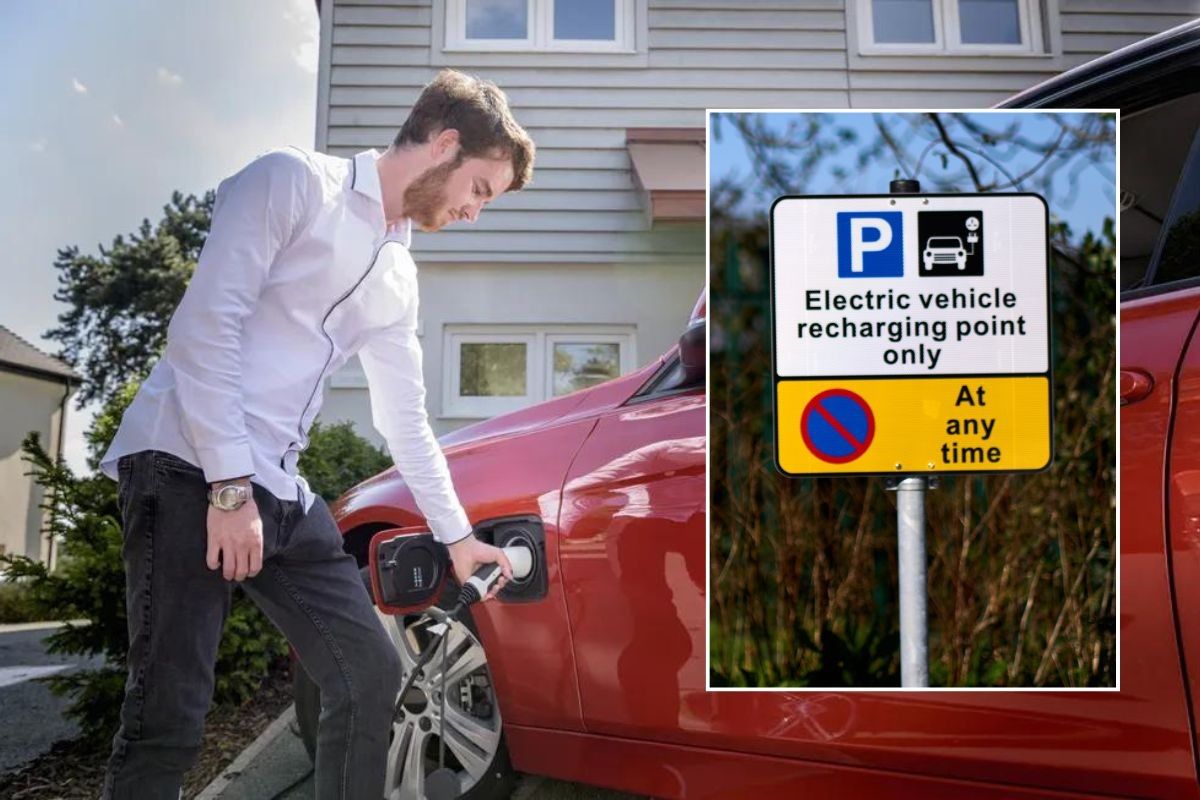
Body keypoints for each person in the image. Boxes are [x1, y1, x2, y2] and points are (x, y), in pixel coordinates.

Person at [97, 69, 535, 800]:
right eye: (480, 190)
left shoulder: (398, 271)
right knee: (169, 709)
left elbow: (405, 418)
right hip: (184, 461)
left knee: (369, 671)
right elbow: (205, 328)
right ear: (445, 145)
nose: (474, 212)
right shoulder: (292, 182)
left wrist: (458, 538)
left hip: (275, 485)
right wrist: (228, 487)